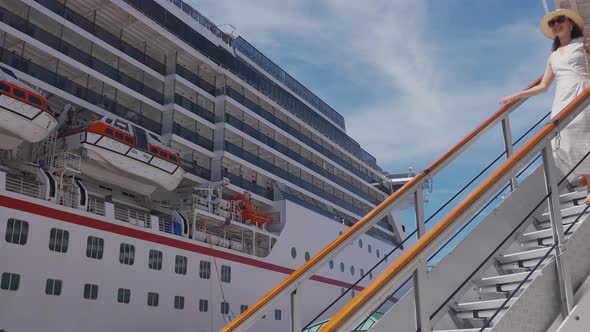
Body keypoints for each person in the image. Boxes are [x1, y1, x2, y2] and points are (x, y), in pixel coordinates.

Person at [500, 9, 590, 203]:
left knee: (582, 135)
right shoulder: (554, 56)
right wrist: (517, 95)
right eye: (553, 23)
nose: (556, 24)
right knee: (560, 141)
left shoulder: (583, 42)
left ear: (570, 24)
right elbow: (543, 86)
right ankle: (584, 173)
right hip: (562, 98)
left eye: (560, 20)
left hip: (582, 91)